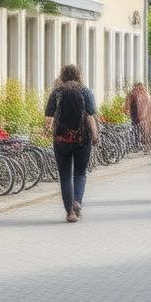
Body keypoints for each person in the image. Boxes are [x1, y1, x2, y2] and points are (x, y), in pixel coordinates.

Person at [44, 64, 99, 223]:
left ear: (62, 75)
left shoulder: (57, 93)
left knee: (65, 176)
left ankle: (70, 212)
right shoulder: (86, 92)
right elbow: (90, 116)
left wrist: (48, 130)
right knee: (80, 173)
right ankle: (77, 201)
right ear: (78, 75)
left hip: (61, 140)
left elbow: (49, 118)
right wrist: (95, 135)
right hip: (83, 139)